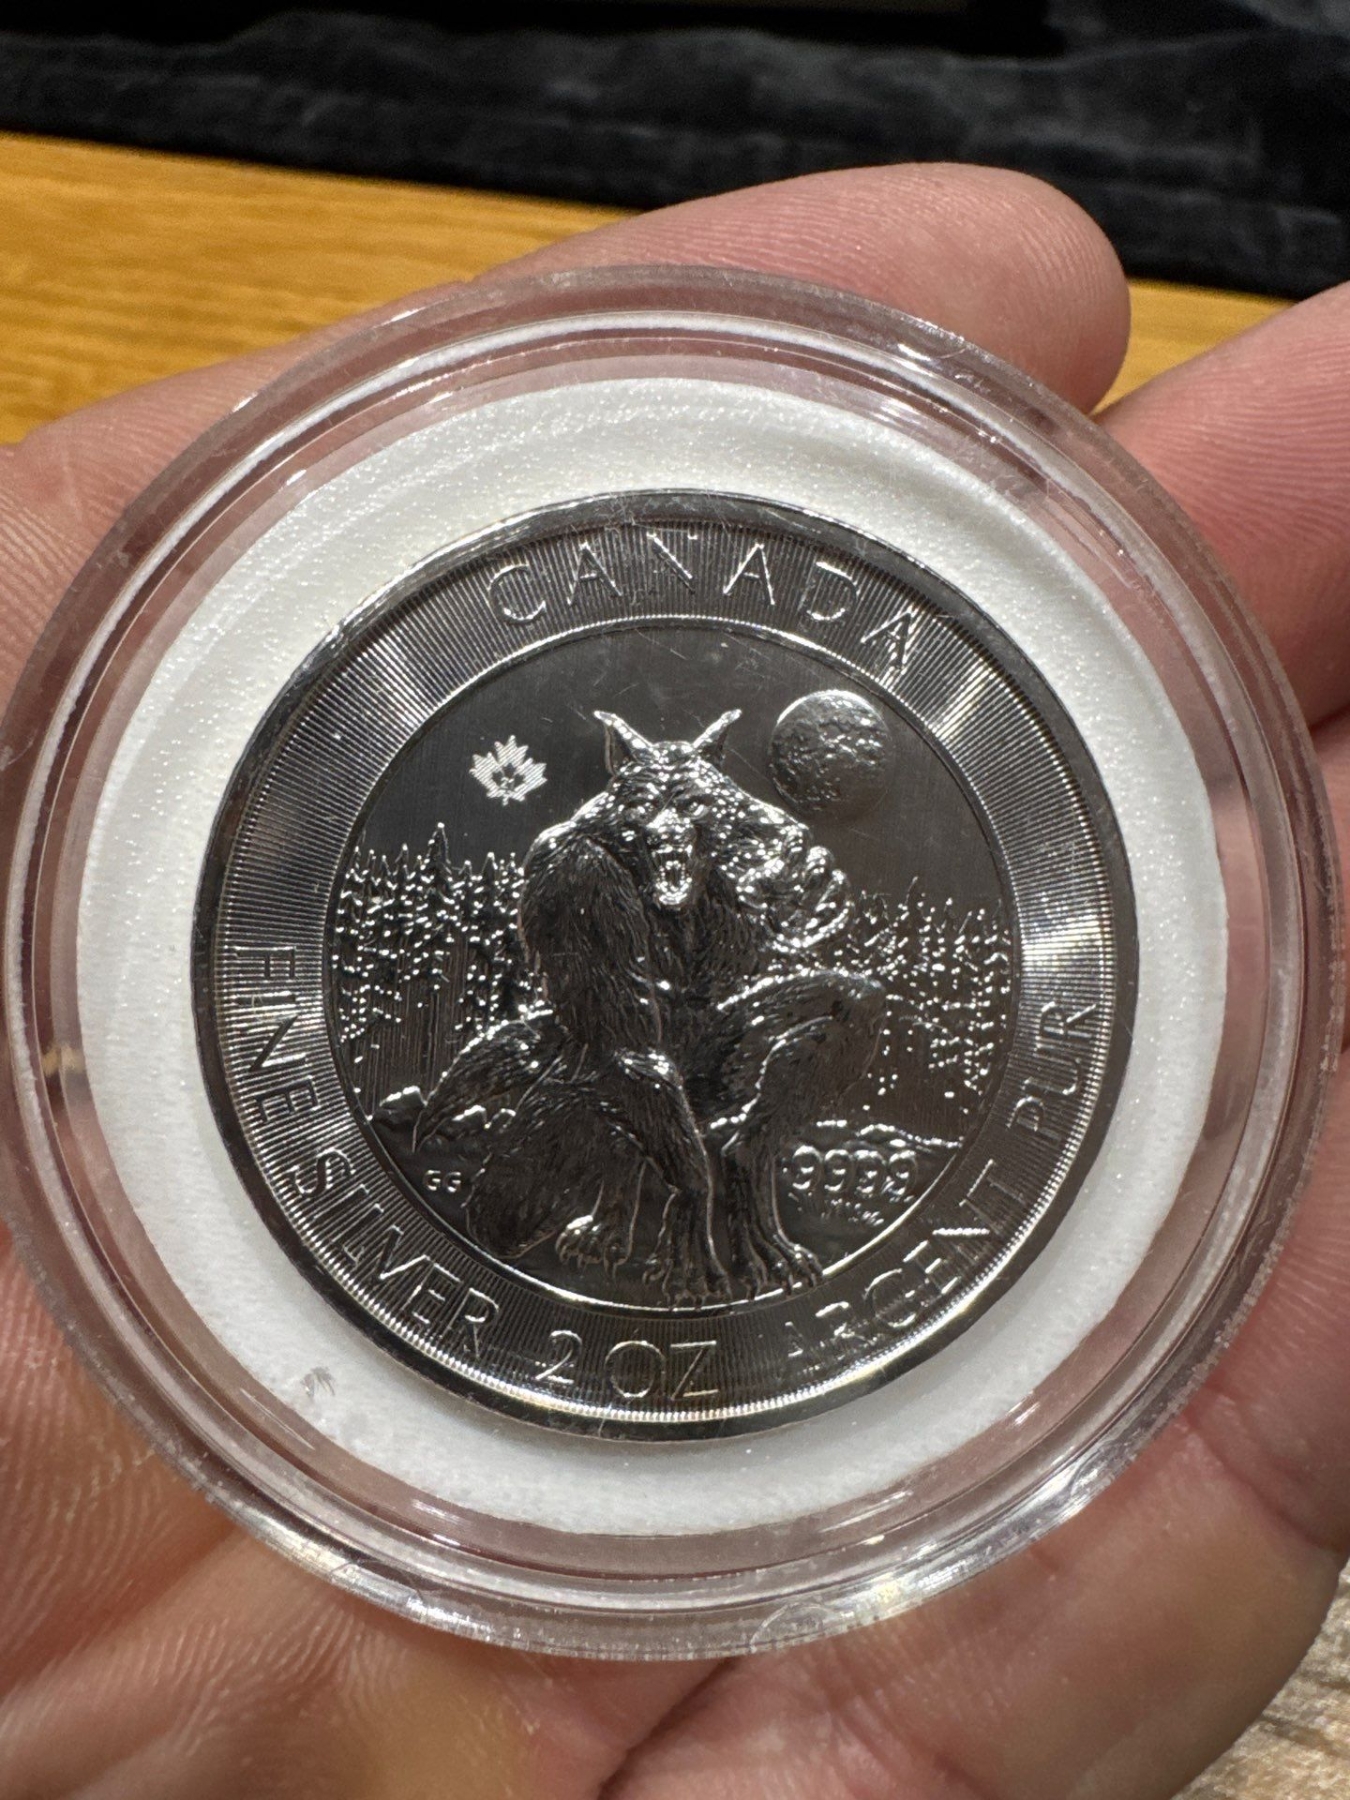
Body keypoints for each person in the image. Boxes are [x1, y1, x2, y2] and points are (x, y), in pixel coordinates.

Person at [1, 162, 1348, 1799]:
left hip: (682, 1045)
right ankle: (674, 1208)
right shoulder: (576, 878)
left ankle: (709, 1204)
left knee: (801, 1029)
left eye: (684, 817)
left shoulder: (711, 860)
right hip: (608, 1049)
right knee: (626, 1111)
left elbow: (769, 935)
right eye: (653, 816)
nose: (673, 834)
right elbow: (615, 1017)